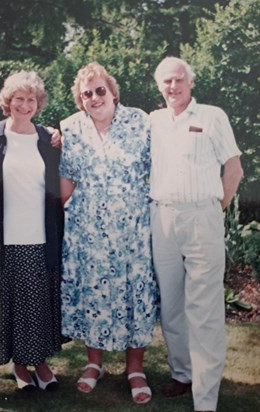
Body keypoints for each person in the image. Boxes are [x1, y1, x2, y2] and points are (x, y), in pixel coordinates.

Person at [59, 62, 159, 404]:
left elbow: (160, 167)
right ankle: (94, 364)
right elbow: (66, 181)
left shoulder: (140, 122)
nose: (94, 97)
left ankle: (135, 368)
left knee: (136, 293)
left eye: (100, 90)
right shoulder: (71, 128)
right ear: (80, 101)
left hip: (132, 227)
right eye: (86, 94)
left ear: (113, 92)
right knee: (93, 292)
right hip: (88, 229)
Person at [149, 56, 244, 412]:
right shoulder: (153, 121)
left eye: (178, 80)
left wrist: (214, 211)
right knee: (171, 305)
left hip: (202, 216)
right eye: (166, 82)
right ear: (159, 86)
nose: (172, 87)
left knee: (203, 308)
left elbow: (234, 170)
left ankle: (206, 397)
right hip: (163, 218)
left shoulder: (212, 116)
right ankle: (182, 374)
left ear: (190, 82)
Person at [0, 70, 64, 392]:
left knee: (38, 299)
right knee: (12, 300)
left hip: (40, 232)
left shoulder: (47, 138)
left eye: (31, 100)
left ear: (38, 104)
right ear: (7, 101)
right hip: (4, 235)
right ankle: (21, 366)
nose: (24, 105)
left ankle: (39, 361)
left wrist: (59, 133)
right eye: (18, 99)